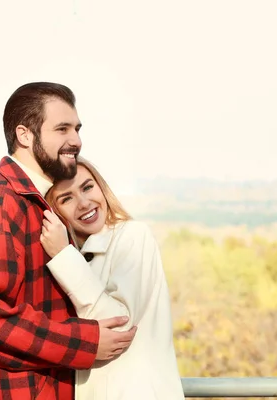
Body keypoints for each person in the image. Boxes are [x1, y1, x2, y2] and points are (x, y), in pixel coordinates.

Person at [0, 82, 137, 400]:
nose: (75, 141)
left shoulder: (35, 202)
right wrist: (85, 343)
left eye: (77, 129)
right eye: (62, 129)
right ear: (24, 135)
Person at [40, 157, 185, 400]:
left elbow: (119, 325)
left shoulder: (133, 236)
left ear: (101, 187)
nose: (84, 203)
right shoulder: (70, 258)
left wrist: (63, 256)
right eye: (67, 198)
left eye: (87, 187)